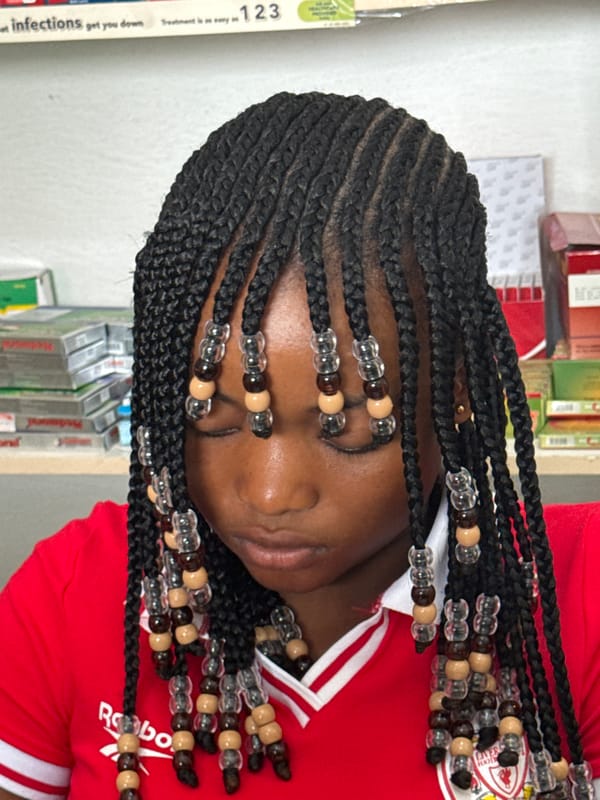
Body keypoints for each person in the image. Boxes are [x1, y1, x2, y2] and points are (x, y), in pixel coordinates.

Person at [0, 92, 598, 800]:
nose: (270, 493)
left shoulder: (577, 597)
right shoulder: (75, 593)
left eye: (348, 427)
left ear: (458, 386)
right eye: (210, 416)